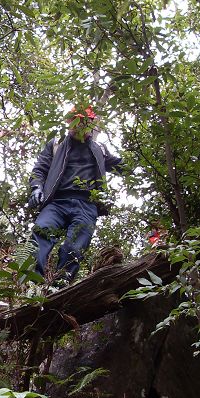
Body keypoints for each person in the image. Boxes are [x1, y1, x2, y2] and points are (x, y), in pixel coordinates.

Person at [27, 106, 123, 284]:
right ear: (69, 122)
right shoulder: (56, 144)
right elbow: (39, 170)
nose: (80, 126)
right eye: (76, 121)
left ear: (91, 125)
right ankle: (32, 285)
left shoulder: (99, 149)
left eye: (85, 122)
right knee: (40, 233)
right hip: (56, 202)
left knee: (74, 248)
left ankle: (61, 287)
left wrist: (146, 161)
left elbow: (121, 166)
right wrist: (36, 188)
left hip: (86, 205)